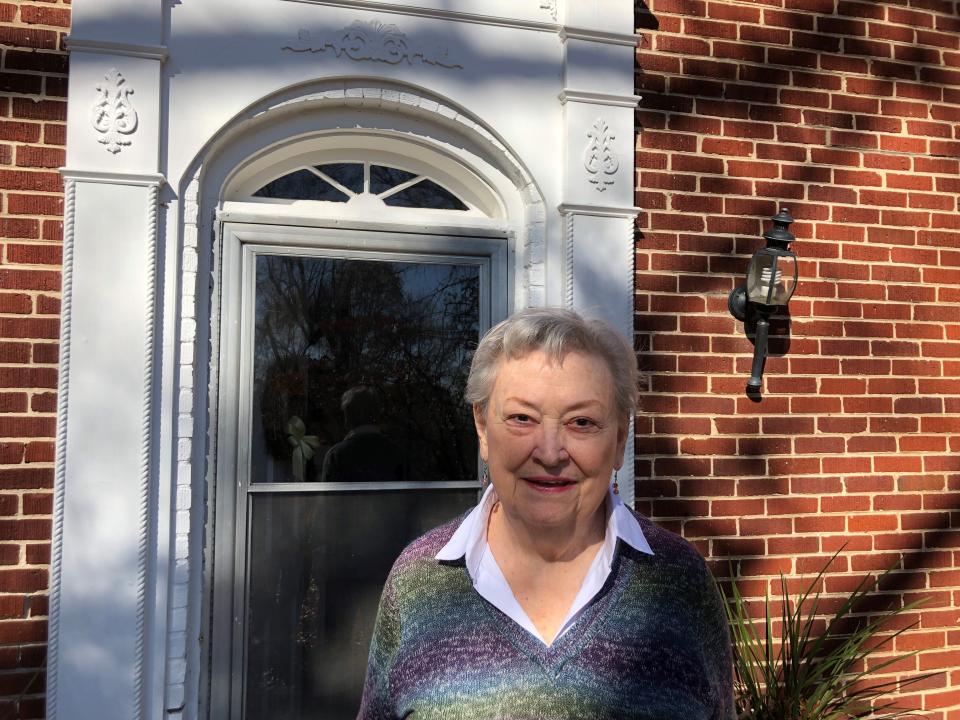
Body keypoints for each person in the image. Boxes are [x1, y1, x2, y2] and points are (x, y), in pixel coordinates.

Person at [357, 308, 734, 719]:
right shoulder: (419, 585)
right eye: (522, 418)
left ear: (621, 437)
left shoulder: (680, 583)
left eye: (582, 422)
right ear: (482, 428)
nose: (551, 452)